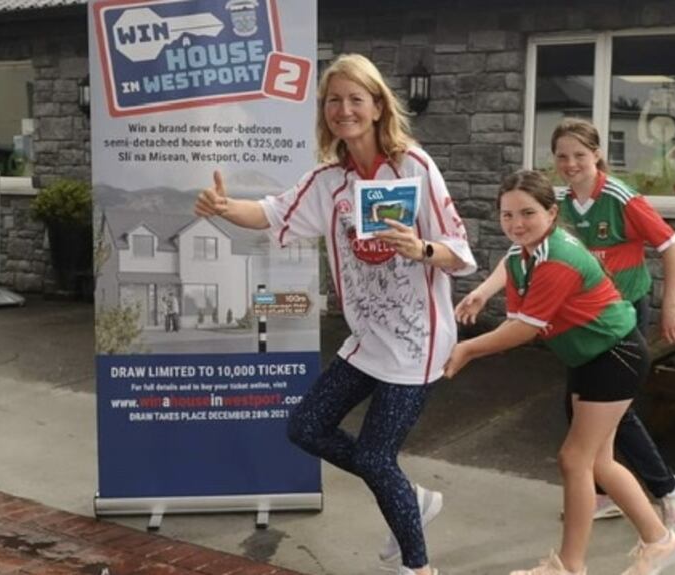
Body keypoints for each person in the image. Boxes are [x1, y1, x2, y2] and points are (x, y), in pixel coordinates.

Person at [195, 53, 475, 575]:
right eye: (333, 101)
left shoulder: (414, 166)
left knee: (373, 455)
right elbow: (274, 212)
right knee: (305, 426)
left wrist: (423, 250)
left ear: (376, 107)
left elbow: (459, 248)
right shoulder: (329, 181)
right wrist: (224, 207)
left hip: (418, 342)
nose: (343, 109)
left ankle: (417, 567)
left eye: (354, 99)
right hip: (369, 340)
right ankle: (409, 498)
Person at [455, 117, 675, 537]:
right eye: (562, 156)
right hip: (580, 314)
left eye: (579, 155)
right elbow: (519, 250)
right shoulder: (557, 201)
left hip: (618, 312)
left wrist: (671, 305)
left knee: (612, 413)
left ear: (597, 155)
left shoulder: (620, 197)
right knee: (583, 413)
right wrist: (485, 291)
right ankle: (601, 495)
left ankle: (669, 488)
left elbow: (671, 245)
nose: (570, 163)